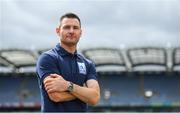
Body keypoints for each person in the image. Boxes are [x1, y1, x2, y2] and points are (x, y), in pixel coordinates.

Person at [36, 12, 100, 112]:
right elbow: (56, 96)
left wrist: (67, 85)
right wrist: (84, 92)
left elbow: (95, 98)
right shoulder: (48, 58)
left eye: (75, 28)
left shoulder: (88, 64)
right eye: (66, 27)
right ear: (58, 31)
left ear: (80, 32)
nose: (71, 31)